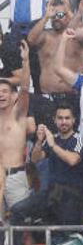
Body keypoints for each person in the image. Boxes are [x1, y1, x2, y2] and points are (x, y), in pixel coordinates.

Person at [12, 105, 83, 243]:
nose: (63, 121)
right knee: (18, 210)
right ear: (54, 120)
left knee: (68, 237)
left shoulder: (79, 139)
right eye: (60, 118)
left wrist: (53, 145)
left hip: (72, 195)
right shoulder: (51, 138)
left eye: (67, 118)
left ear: (74, 120)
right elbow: (36, 159)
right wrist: (39, 140)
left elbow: (72, 160)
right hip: (51, 192)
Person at [27, 0, 83, 127]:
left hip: (74, 96)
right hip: (48, 98)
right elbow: (31, 40)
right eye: (53, 15)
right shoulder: (45, 36)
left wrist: (72, 13)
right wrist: (45, 17)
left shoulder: (77, 36)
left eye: (60, 15)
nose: (56, 18)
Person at [0, 43, 32, 231]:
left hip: (15, 175)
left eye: (5, 92)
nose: (1, 95)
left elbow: (26, 88)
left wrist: (26, 61)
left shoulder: (19, 116)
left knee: (22, 228)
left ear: (14, 96)